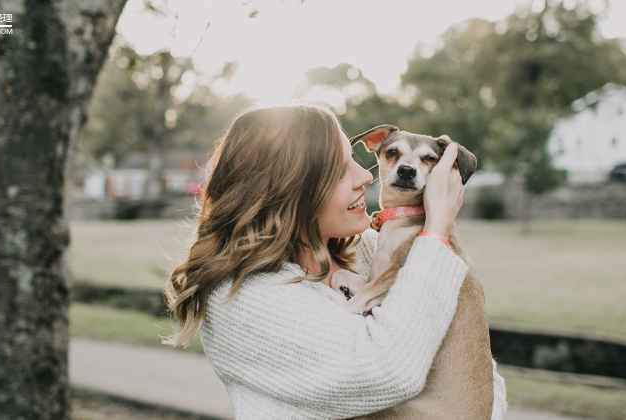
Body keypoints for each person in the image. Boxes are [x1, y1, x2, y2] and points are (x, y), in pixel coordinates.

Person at [163, 104, 482, 418]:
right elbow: (388, 372)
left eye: (356, 160)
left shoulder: (366, 251)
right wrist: (437, 227)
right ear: (291, 190)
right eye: (341, 169)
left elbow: (474, 374)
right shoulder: (244, 298)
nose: (365, 177)